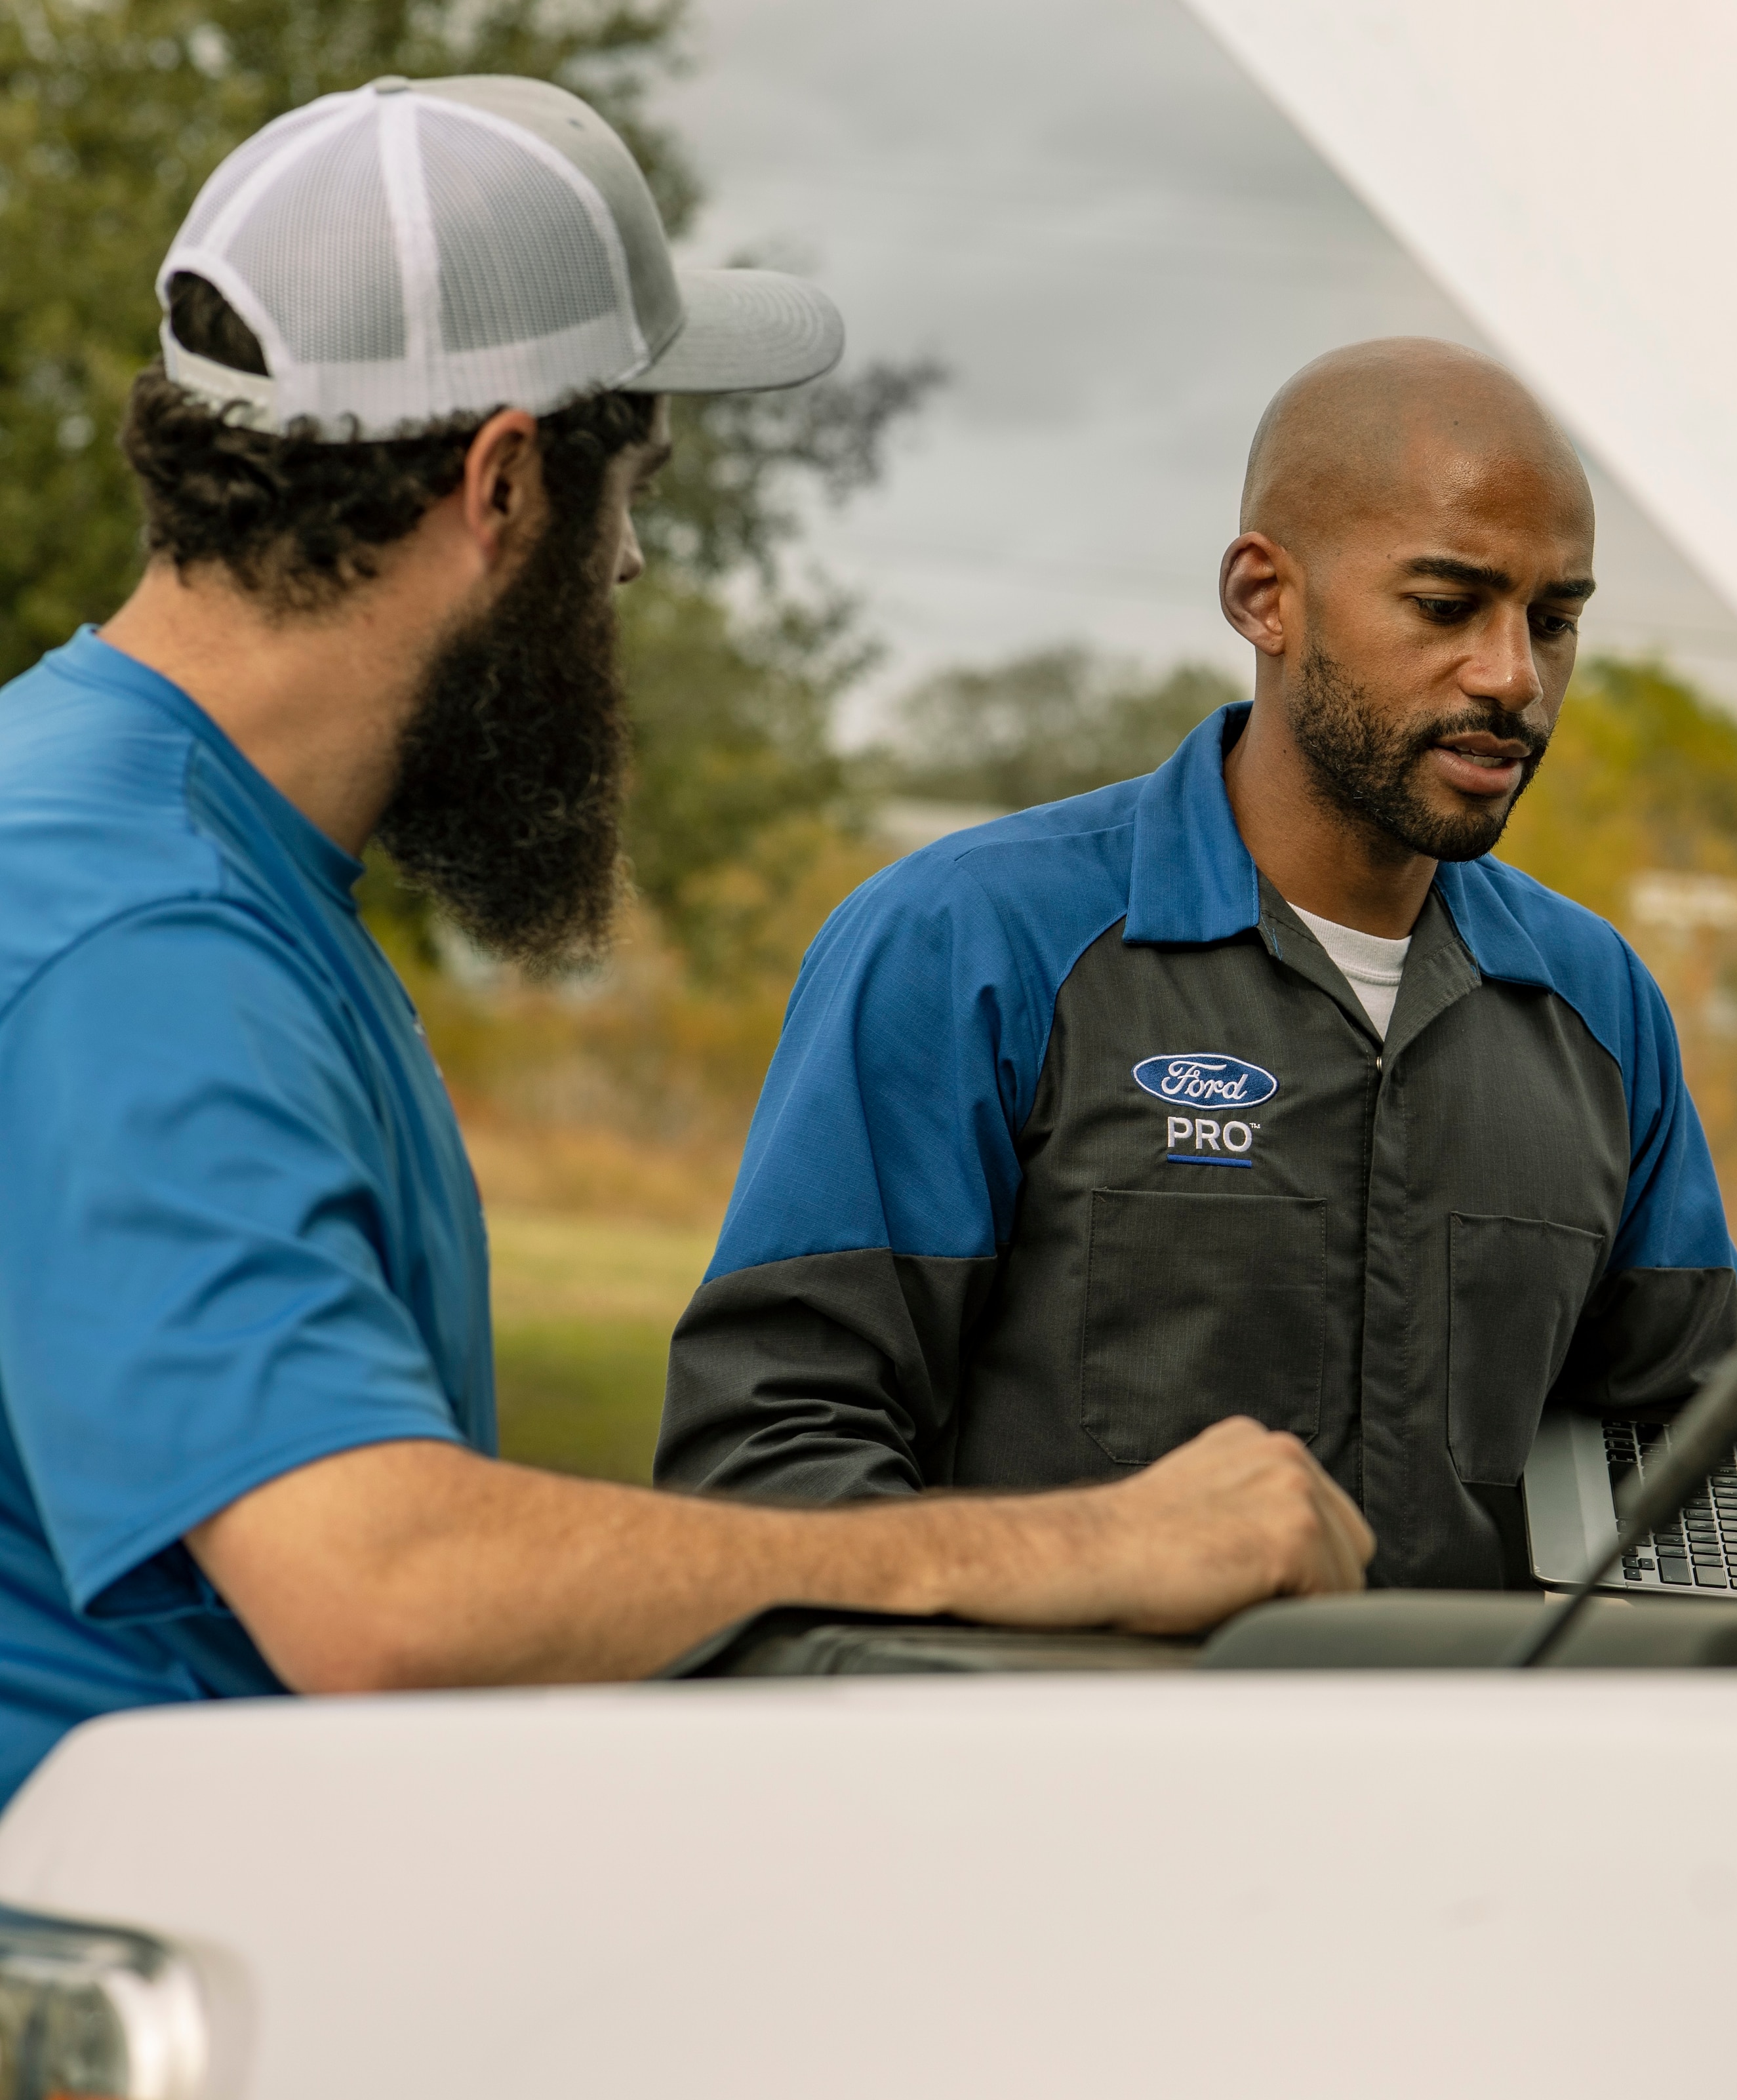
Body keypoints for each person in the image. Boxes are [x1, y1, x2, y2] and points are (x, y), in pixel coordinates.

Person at [0, 77, 1368, 1800]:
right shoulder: (136, 929)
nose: (633, 560)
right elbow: (382, 1587)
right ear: (502, 483)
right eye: (628, 486)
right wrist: (1072, 1543)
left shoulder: (148, 833)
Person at [657, 336, 1737, 1596]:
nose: (1511, 674)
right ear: (1265, 595)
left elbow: (1702, 1485)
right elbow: (766, 1460)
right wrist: (1098, 1560)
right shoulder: (967, 946)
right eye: (1448, 606)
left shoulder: (1597, 1006)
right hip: (1061, 1839)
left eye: (1552, 619)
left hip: (1467, 1854)